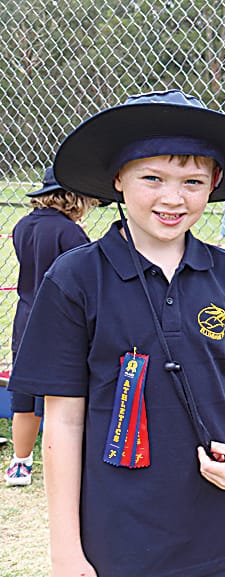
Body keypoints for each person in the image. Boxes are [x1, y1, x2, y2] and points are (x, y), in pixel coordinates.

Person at [8, 89, 225, 577]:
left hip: (224, 535)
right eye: (152, 178)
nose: (173, 198)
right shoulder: (75, 280)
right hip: (119, 539)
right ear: (118, 180)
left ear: (214, 182)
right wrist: (66, 551)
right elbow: (64, 422)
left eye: (192, 181)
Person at [4, 166, 98, 487]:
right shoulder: (70, 233)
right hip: (61, 321)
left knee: (25, 393)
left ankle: (21, 463)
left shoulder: (22, 226)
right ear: (74, 198)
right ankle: (70, 458)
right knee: (64, 392)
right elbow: (85, 273)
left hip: (26, 316)